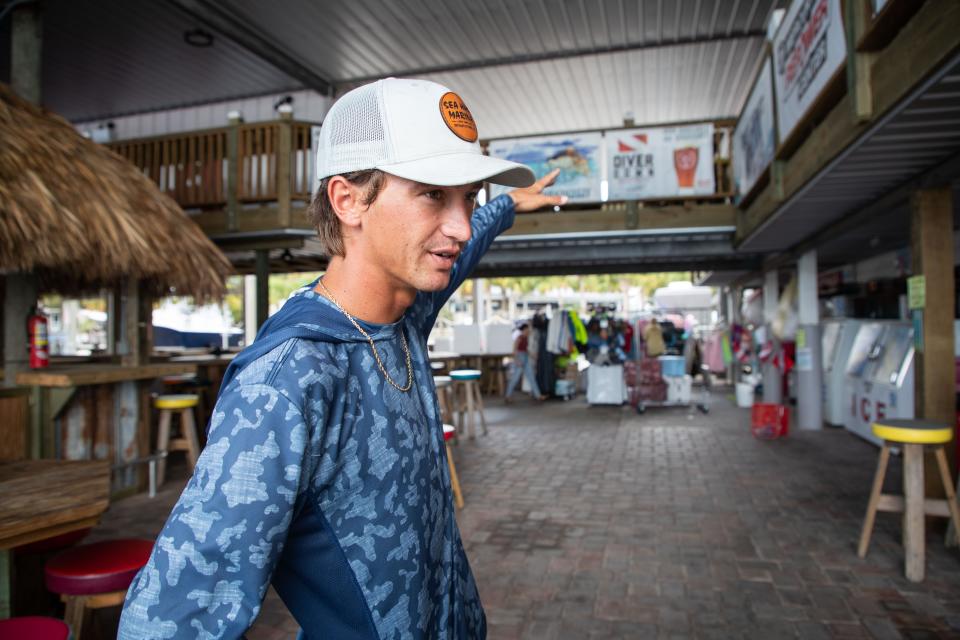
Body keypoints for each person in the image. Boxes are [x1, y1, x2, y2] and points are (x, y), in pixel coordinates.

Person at [117, 78, 564, 639]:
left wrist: (505, 207)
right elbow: (174, 615)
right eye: (432, 193)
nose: (459, 224)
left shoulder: (404, 311)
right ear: (348, 200)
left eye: (468, 197)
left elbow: (465, 246)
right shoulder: (288, 380)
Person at [503, 323, 544, 402]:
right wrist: (517, 360)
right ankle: (508, 396)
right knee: (515, 378)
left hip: (525, 357)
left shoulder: (526, 338)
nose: (528, 330)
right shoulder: (519, 338)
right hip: (520, 358)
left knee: (531, 377)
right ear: (524, 330)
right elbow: (514, 350)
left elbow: (526, 350)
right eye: (527, 329)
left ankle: (538, 395)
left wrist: (532, 355)